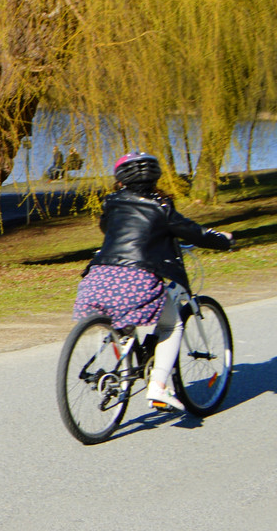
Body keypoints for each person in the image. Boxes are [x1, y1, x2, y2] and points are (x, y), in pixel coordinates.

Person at [74, 152, 232, 412]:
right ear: (155, 175)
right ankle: (158, 385)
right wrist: (223, 239)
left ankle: (122, 369)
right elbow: (196, 232)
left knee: (120, 321)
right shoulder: (161, 206)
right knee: (172, 324)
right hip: (137, 277)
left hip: (98, 277)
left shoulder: (111, 203)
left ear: (120, 178)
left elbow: (109, 230)